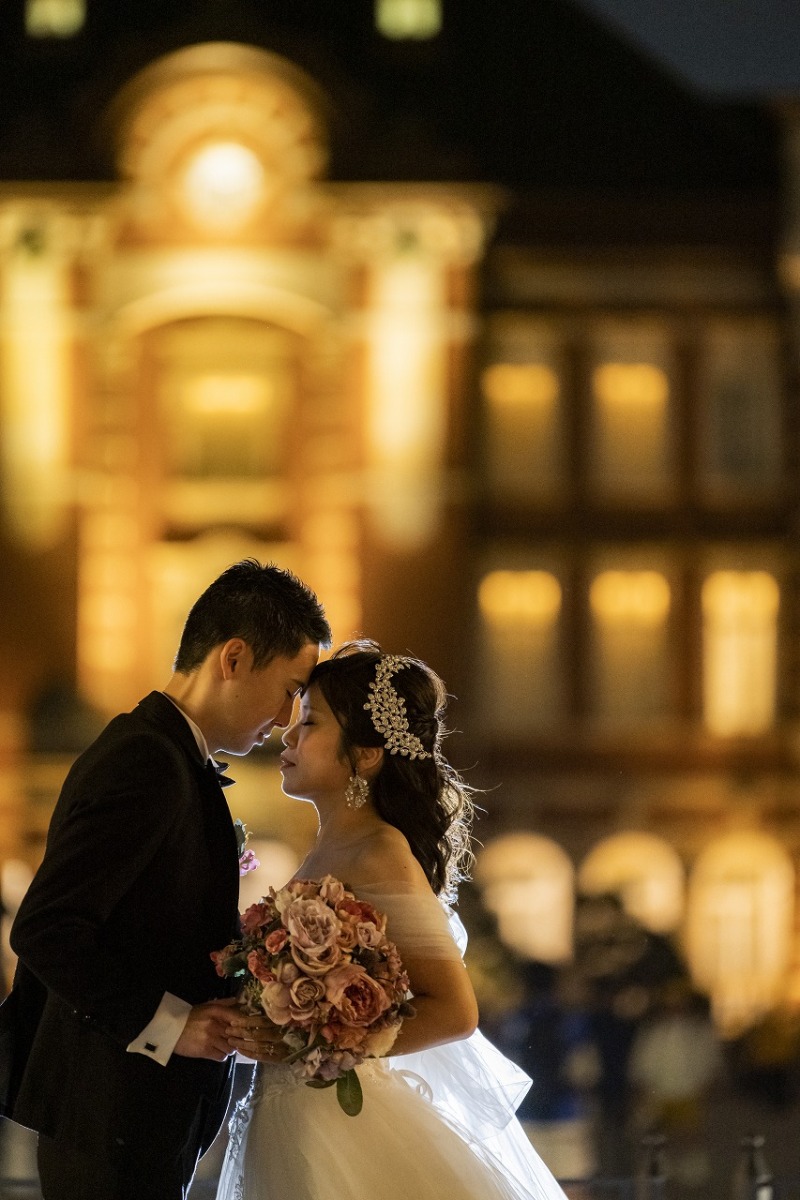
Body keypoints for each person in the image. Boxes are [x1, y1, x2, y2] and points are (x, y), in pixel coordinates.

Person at [0, 559, 331, 1200]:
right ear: (233, 658)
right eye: (290, 689)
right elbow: (46, 929)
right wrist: (172, 1023)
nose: (289, 716)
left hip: (132, 1120)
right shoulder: (146, 758)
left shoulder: (170, 756)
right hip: (109, 1117)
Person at [218, 640, 568, 1200]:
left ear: (366, 753)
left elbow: (455, 1011)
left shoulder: (380, 851)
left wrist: (320, 1042)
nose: (287, 734)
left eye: (309, 723)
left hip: (346, 1126)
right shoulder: (327, 850)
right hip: (294, 1118)